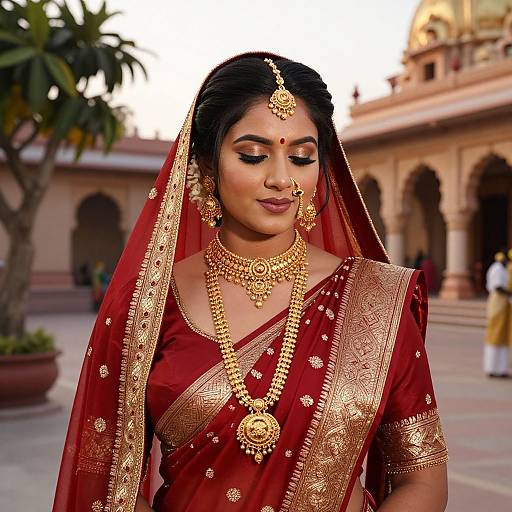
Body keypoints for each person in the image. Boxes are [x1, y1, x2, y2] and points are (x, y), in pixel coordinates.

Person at [52, 53, 448, 512]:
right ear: (205, 164)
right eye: (253, 155)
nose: (282, 179)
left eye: (302, 157)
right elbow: (106, 481)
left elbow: (422, 478)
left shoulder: (378, 299)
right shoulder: (149, 300)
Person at [484, 251, 511, 378]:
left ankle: (501, 369)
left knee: (503, 337)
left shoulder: (502, 269)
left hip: (504, 304)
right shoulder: (497, 269)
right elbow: (498, 287)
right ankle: (492, 368)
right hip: (497, 305)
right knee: (494, 336)